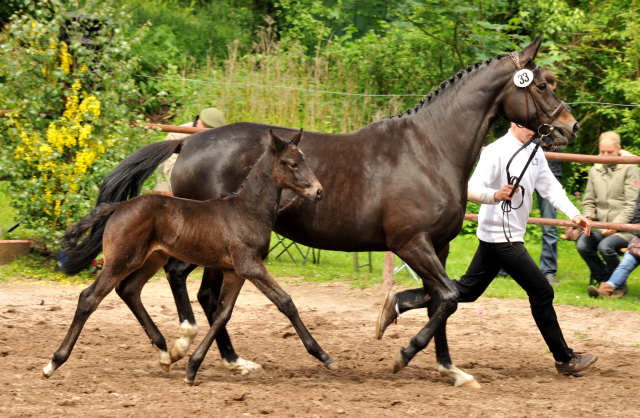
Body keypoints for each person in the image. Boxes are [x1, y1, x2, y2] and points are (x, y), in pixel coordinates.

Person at [375, 122, 599, 375]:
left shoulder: (535, 152)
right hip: (502, 237)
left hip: (503, 237)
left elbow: (551, 188)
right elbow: (470, 188)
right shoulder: (496, 151)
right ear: (515, 122)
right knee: (542, 291)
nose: (534, 131)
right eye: (529, 126)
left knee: (467, 291)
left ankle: (400, 301)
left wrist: (575, 214)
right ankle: (564, 359)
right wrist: (495, 195)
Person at [497, 68, 567, 284]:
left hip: (547, 171)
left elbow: (558, 138)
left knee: (549, 224)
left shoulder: (561, 111)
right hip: (521, 169)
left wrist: (539, 137)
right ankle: (505, 265)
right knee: (511, 217)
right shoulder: (529, 110)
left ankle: (548, 270)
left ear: (553, 87)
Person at [576, 131, 639, 286]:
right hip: (601, 225)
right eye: (602, 152)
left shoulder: (630, 167)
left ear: (619, 149)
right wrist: (588, 219)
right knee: (583, 245)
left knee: (606, 247)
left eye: (609, 152)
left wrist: (615, 226)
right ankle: (605, 281)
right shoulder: (594, 170)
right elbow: (589, 200)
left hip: (626, 227)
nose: (605, 155)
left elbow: (633, 203)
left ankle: (616, 284)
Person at [587, 179, 640, 298]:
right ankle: (606, 289)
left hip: (628, 233)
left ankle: (608, 287)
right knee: (630, 256)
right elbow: (637, 217)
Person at [154, 108, 226, 193]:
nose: (206, 131)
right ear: (199, 120)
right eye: (205, 125)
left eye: (211, 129)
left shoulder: (218, 139)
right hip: (169, 187)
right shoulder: (177, 135)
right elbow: (170, 169)